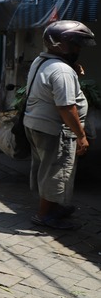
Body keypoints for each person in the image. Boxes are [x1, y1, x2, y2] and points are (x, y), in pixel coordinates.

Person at [24, 20, 95, 230]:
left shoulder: (42, 60)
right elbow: (66, 107)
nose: (78, 49)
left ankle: (53, 207)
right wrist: (81, 136)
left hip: (37, 124)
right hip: (53, 129)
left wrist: (71, 69)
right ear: (61, 45)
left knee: (47, 168)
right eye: (75, 44)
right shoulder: (62, 71)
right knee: (55, 171)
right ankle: (44, 215)